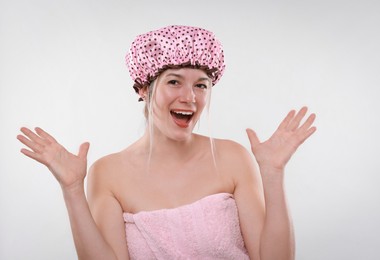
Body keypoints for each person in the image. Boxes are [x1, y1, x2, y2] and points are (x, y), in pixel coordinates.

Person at [17, 25, 316, 260]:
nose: (190, 97)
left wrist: (273, 174)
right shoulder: (107, 173)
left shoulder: (233, 157)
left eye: (201, 85)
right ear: (144, 88)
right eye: (174, 81)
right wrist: (72, 190)